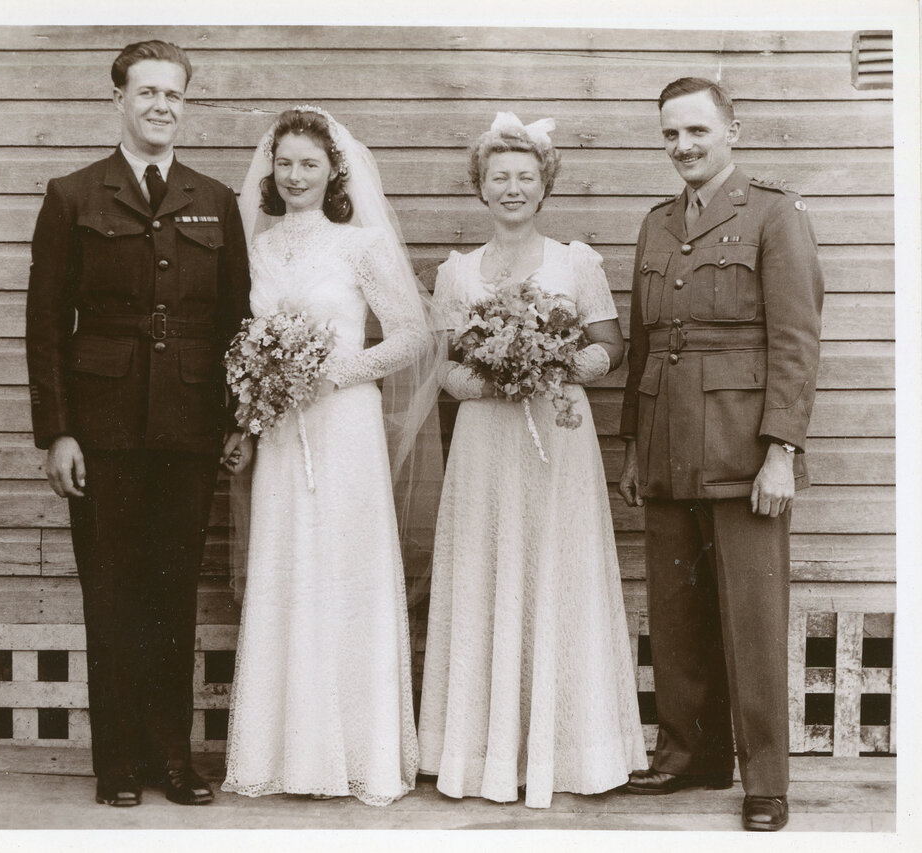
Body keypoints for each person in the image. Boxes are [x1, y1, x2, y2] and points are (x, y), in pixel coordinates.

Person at [25, 40, 251, 807]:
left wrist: (237, 419)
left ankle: (172, 756)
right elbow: (47, 324)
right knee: (113, 592)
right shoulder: (74, 194)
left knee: (174, 591)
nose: (161, 105)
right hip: (105, 430)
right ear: (117, 98)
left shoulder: (215, 200)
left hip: (187, 428)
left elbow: (235, 322)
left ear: (186, 104)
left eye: (174, 94)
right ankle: (117, 761)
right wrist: (58, 430)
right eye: (147, 91)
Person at [417, 112, 648, 809]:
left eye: (524, 177)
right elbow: (444, 361)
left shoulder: (574, 261)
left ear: (544, 184)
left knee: (556, 571)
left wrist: (552, 364)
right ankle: (481, 754)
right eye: (498, 178)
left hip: (557, 438)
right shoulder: (457, 274)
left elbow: (612, 345)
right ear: (480, 188)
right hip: (486, 443)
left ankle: (570, 749)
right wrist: (486, 378)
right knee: (489, 571)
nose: (511, 189)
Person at [618, 77, 824, 832]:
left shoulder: (774, 215)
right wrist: (635, 447)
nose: (683, 147)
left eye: (697, 132)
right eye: (670, 134)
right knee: (676, 613)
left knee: (753, 617)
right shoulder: (657, 223)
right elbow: (644, 344)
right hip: (669, 441)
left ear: (732, 130)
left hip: (744, 450)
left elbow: (796, 343)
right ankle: (689, 755)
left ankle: (766, 778)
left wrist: (781, 450)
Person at [220, 106, 438, 806]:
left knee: (344, 569)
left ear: (333, 171)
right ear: (271, 169)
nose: (294, 176)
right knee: (287, 566)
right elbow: (244, 339)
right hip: (283, 432)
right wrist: (262, 390)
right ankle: (285, 751)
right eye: (283, 163)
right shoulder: (255, 247)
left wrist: (333, 371)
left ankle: (357, 751)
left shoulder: (361, 244)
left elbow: (411, 336)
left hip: (344, 424)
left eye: (309, 163)